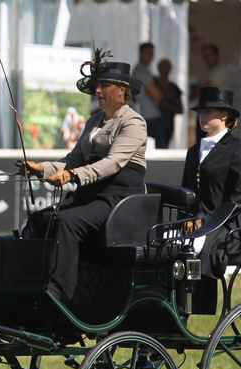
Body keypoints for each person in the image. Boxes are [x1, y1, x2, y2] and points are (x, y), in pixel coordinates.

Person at [20, 52, 147, 304]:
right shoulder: (94, 121)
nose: (97, 91)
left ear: (121, 90)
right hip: (90, 196)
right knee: (40, 219)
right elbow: (73, 158)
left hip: (117, 200)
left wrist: (72, 176)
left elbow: (112, 163)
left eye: (104, 85)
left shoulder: (134, 123)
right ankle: (30, 282)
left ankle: (59, 294)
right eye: (97, 86)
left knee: (67, 222)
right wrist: (41, 169)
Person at [182, 87, 241, 279]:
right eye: (200, 112)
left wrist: (206, 223)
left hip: (228, 226)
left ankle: (199, 291)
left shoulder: (240, 150)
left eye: (208, 112)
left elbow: (238, 199)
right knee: (168, 242)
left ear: (224, 116)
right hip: (197, 222)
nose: (202, 117)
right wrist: (189, 220)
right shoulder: (193, 151)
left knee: (196, 245)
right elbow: (187, 192)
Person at [132, 42, 163, 142]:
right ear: (141, 53)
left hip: (146, 116)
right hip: (150, 117)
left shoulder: (140, 70)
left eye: (152, 53)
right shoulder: (141, 71)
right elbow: (156, 95)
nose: (151, 56)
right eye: (148, 53)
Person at [153, 58, 183, 148]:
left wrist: (166, 106)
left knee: (163, 148)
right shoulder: (153, 83)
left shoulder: (173, 88)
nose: (164, 70)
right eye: (162, 67)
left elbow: (180, 109)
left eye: (167, 68)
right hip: (152, 121)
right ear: (158, 68)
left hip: (167, 124)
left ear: (170, 70)